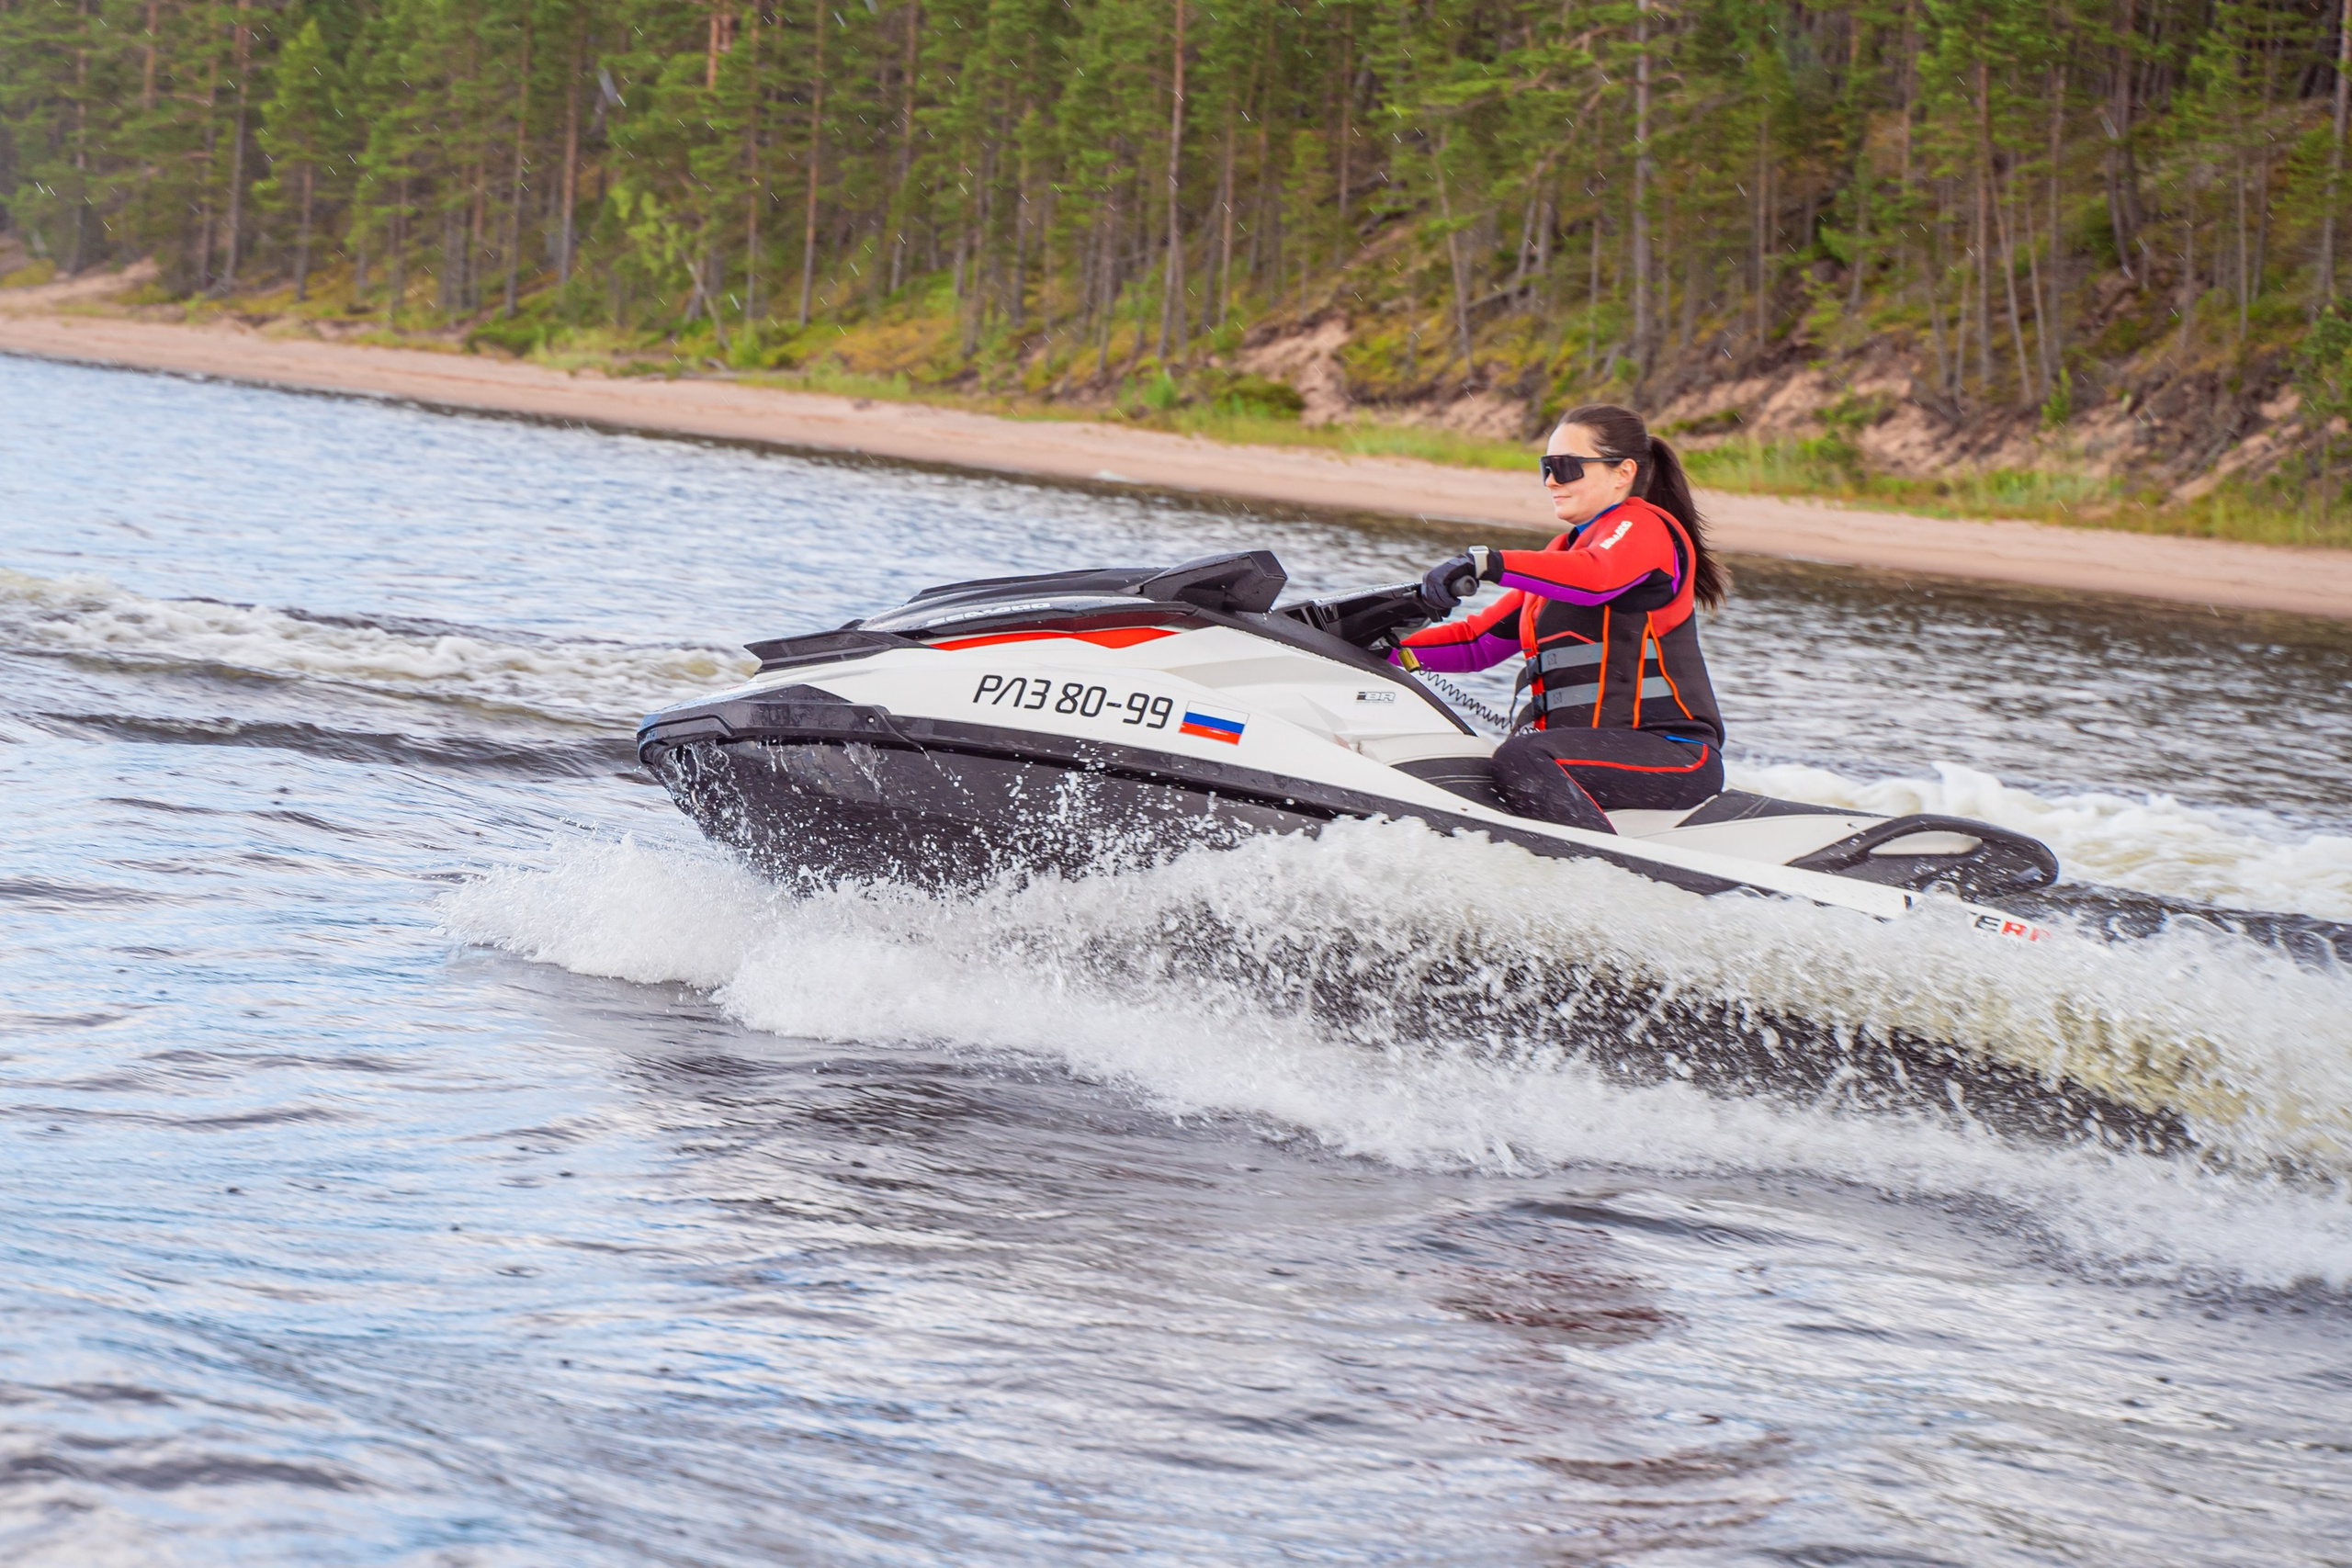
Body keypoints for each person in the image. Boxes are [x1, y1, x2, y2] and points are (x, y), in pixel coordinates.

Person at [1399, 402, 1729, 834]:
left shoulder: (1645, 526)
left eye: (1567, 466)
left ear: (1622, 472)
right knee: (1493, 757)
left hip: (1673, 751)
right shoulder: (1561, 554)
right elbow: (1474, 643)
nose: (1552, 480)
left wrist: (1486, 563)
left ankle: (1601, 876)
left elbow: (1598, 576)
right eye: (1546, 467)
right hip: (1586, 751)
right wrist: (1377, 648)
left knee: (1524, 757)